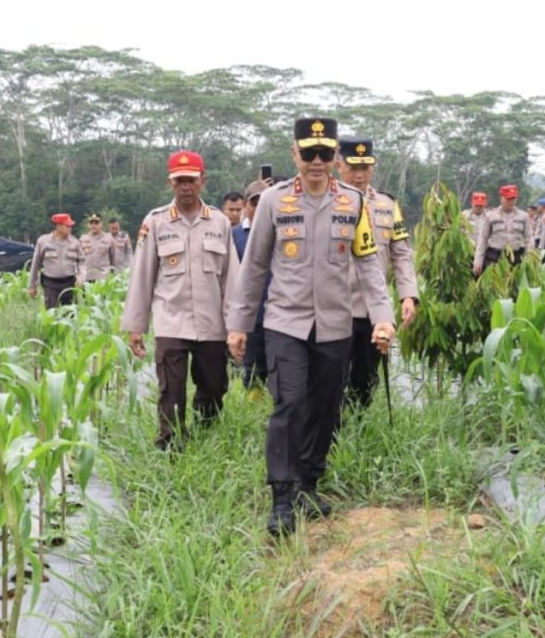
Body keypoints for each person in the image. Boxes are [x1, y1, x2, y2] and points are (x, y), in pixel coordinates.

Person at [226, 117, 394, 537]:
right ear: (295, 154)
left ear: (335, 156)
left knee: (325, 409)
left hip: (335, 324)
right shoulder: (273, 202)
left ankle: (309, 485)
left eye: (325, 154)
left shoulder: (353, 203)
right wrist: (240, 324)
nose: (317, 161)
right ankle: (282, 495)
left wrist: (382, 318)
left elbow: (369, 265)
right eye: (309, 153)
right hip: (286, 321)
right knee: (290, 403)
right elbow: (255, 266)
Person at [121, 151, 237, 450]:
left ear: (202, 181)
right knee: (171, 391)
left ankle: (206, 436)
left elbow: (231, 279)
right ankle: (170, 446)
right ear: (170, 183)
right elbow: (142, 275)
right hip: (171, 321)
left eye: (191, 180)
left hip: (212, 323)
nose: (185, 187)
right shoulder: (156, 222)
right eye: (179, 181)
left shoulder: (220, 222)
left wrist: (237, 327)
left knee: (213, 387)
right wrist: (136, 326)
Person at [335, 137, 419, 409]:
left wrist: (408, 296)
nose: (359, 175)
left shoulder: (387, 205)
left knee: (366, 379)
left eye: (366, 167)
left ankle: (358, 431)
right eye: (353, 167)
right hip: (334, 307)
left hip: (373, 311)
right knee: (331, 378)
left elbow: (402, 253)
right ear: (339, 165)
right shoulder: (328, 201)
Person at [233, 179, 272, 393]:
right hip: (251, 319)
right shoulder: (236, 235)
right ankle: (255, 416)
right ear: (246, 205)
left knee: (282, 371)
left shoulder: (283, 233)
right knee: (254, 372)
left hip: (279, 317)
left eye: (263, 203)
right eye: (254, 203)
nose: (258, 208)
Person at [28, 212, 85, 309]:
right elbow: (35, 264)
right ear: (58, 226)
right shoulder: (43, 242)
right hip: (51, 284)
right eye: (67, 226)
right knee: (52, 313)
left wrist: (81, 277)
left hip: (69, 284)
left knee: (69, 315)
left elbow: (82, 262)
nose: (70, 228)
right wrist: (32, 285)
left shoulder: (75, 243)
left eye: (70, 226)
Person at [474, 184, 531, 275]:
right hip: (494, 257)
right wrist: (478, 260)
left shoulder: (524, 216)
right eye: (508, 199)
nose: (511, 201)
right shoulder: (490, 215)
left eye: (514, 198)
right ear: (501, 198)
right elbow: (483, 239)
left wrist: (530, 258)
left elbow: (529, 239)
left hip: (515, 258)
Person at [80, 213, 117, 282]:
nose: (93, 225)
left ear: (101, 224)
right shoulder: (83, 239)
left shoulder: (109, 238)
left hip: (103, 279)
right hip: (87, 279)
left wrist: (113, 276)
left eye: (96, 223)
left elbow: (113, 260)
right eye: (91, 223)